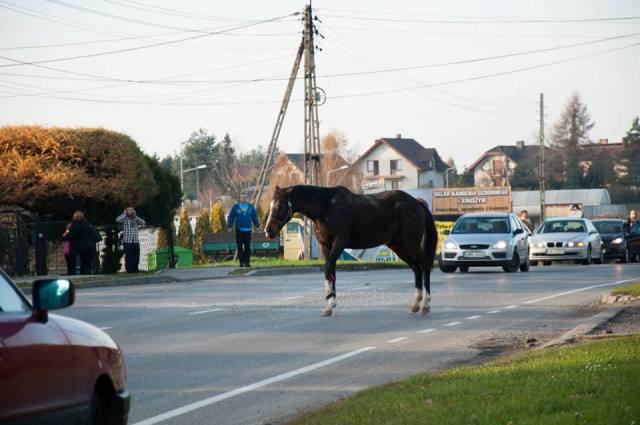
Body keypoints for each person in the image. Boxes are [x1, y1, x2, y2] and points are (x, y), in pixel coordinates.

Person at [227, 191, 260, 267]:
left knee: (247, 247)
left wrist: (257, 226)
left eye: (244, 197)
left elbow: (254, 217)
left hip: (248, 229)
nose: (243, 198)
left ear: (247, 198)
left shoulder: (251, 207)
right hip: (239, 229)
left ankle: (247, 262)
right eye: (242, 197)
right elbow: (231, 217)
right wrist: (229, 226)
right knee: (239, 246)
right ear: (240, 198)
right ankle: (241, 262)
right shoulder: (236, 207)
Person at [116, 207, 146, 273]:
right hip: (127, 241)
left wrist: (135, 216)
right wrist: (124, 214)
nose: (130, 211)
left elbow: (143, 223)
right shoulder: (125, 218)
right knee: (128, 256)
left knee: (136, 255)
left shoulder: (135, 218)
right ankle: (129, 269)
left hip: (135, 240)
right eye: (129, 210)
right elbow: (117, 220)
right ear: (126, 211)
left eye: (131, 210)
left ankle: (135, 268)